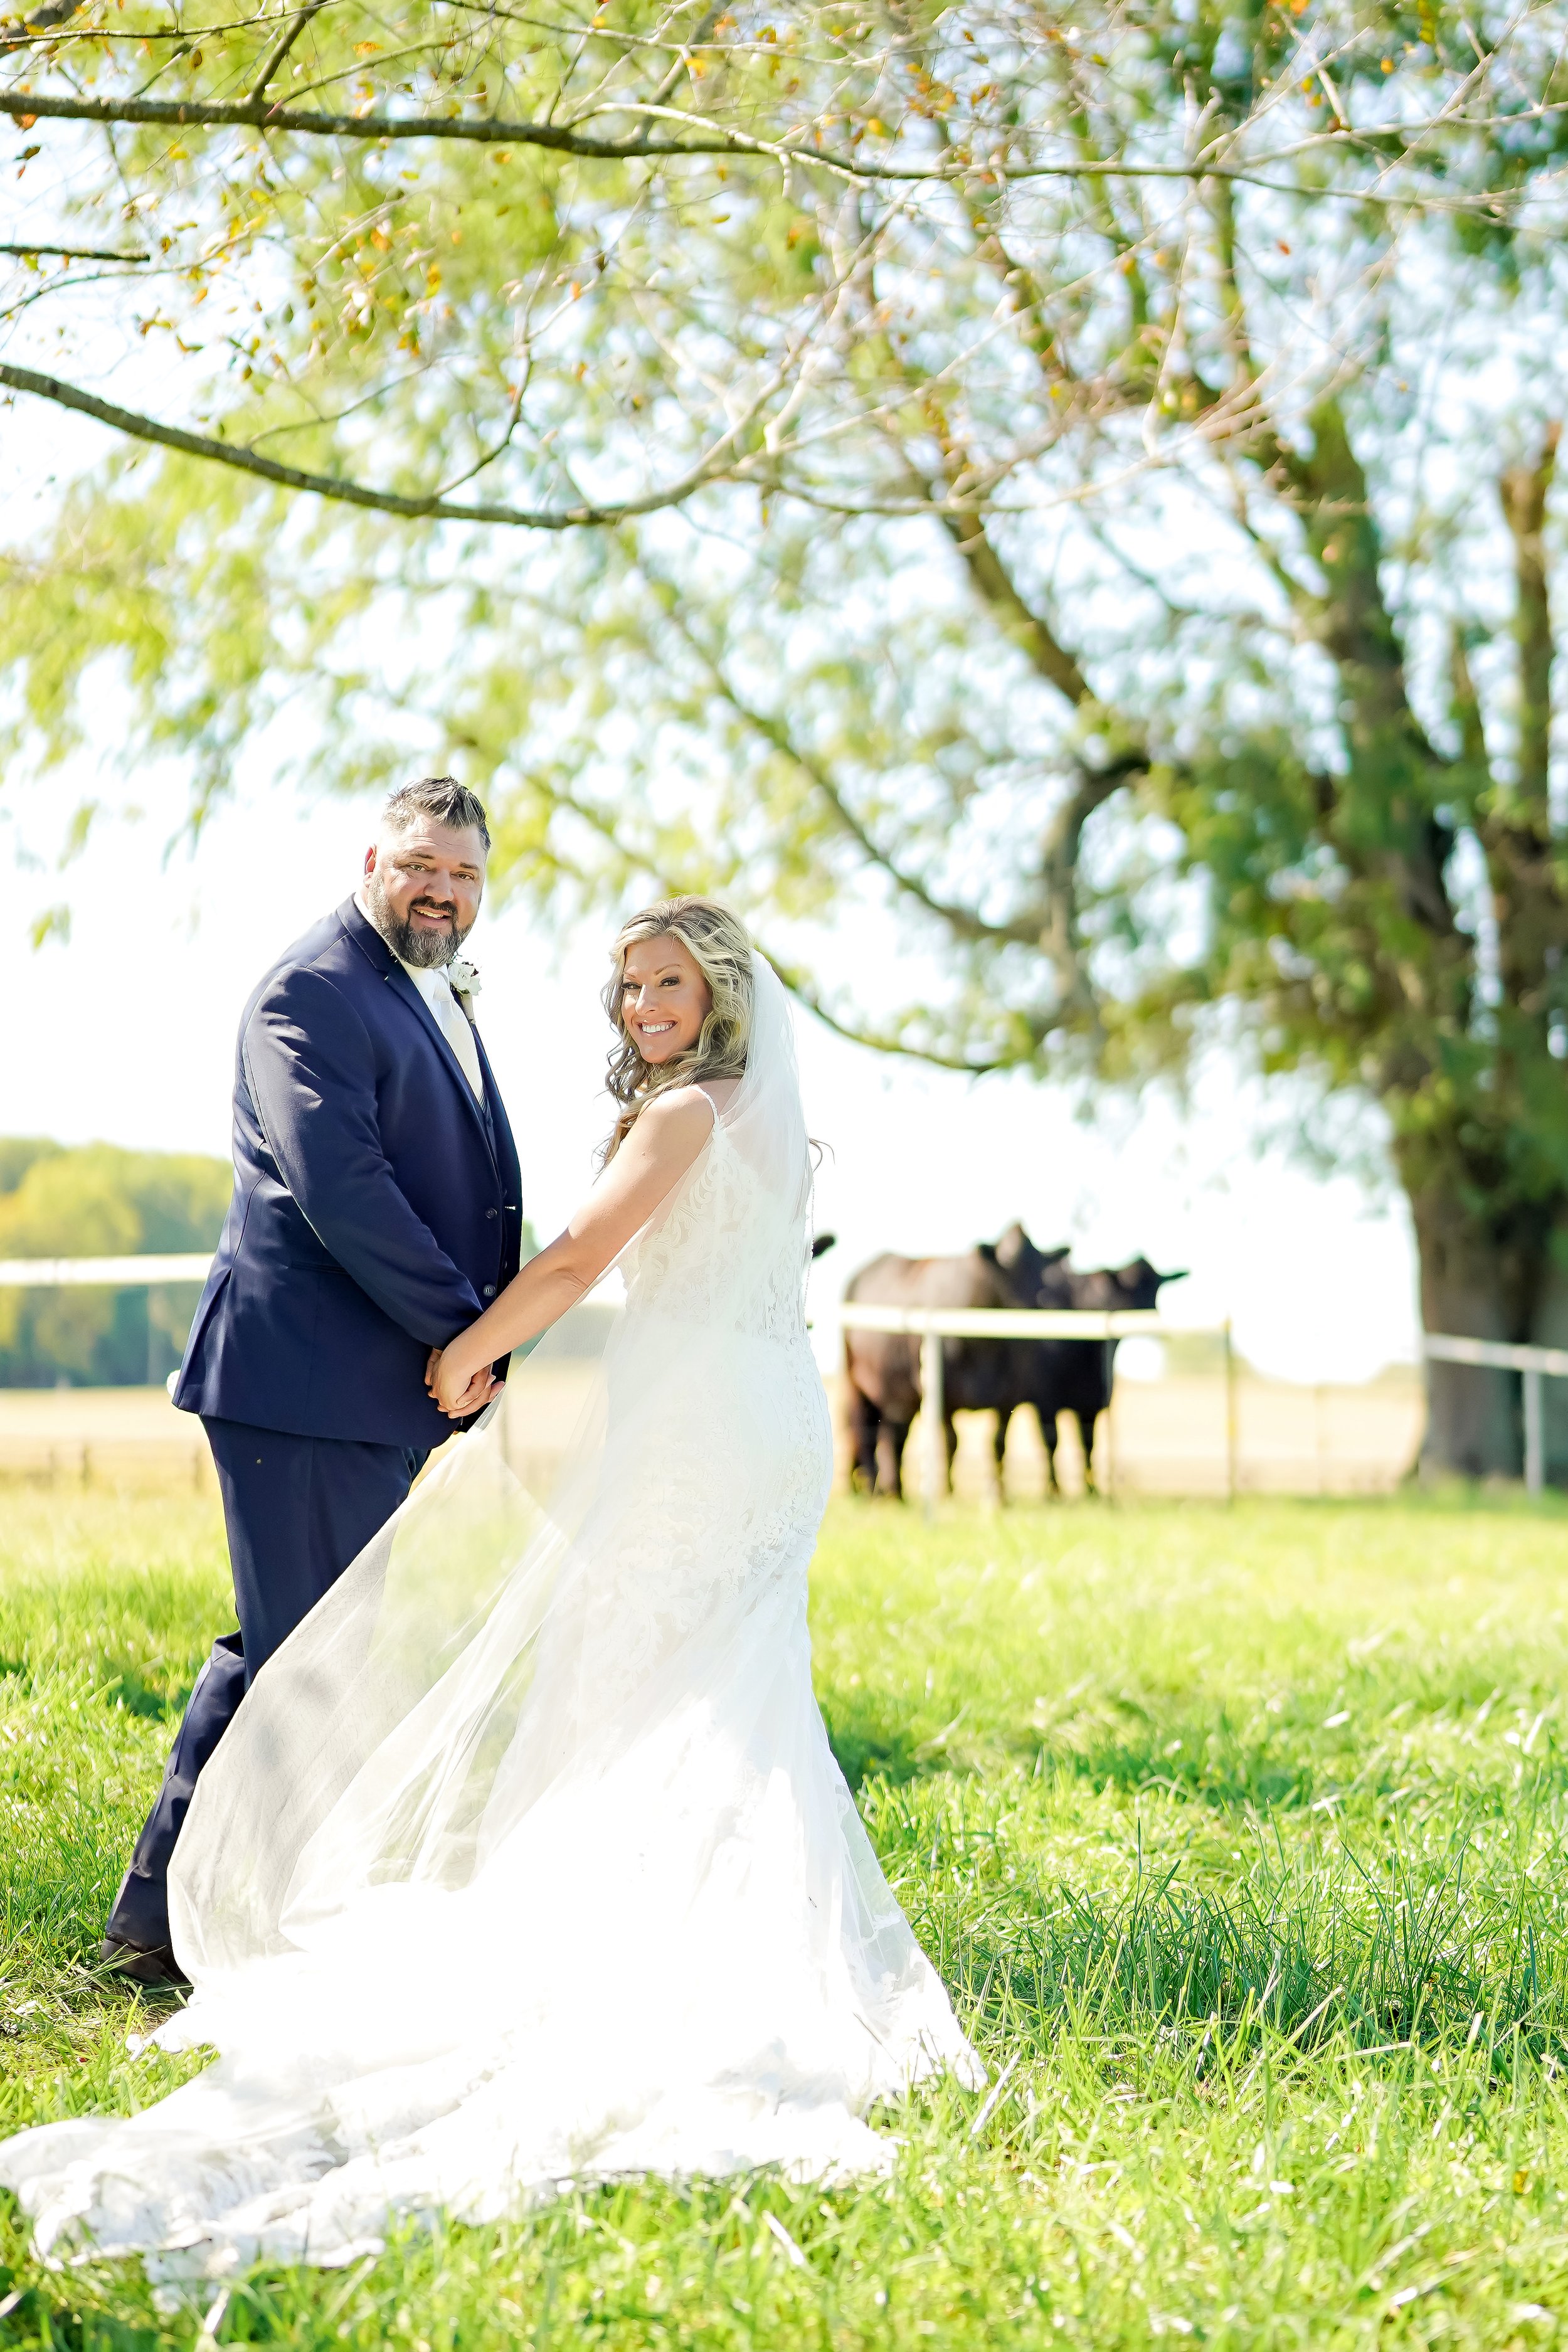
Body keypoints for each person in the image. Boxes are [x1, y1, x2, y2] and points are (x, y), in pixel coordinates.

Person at [0, 898, 977, 2282]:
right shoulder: (763, 1117)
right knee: (731, 1678)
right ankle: (719, 1912)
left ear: (722, 994)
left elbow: (578, 1260)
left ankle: (635, 1935)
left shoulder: (687, 1116)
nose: (642, 1006)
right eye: (628, 984)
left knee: (646, 1672)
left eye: (669, 983)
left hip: (699, 1433)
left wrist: (467, 1353)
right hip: (767, 1419)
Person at [101, 777, 522, 1984]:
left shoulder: (426, 988)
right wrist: (471, 1328)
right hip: (302, 1384)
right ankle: (171, 1934)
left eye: (464, 875)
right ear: (373, 858)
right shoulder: (311, 989)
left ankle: (175, 1918)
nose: (441, 891)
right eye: (421, 866)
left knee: (302, 1648)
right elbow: (342, 1187)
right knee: (307, 1658)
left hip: (378, 1390)